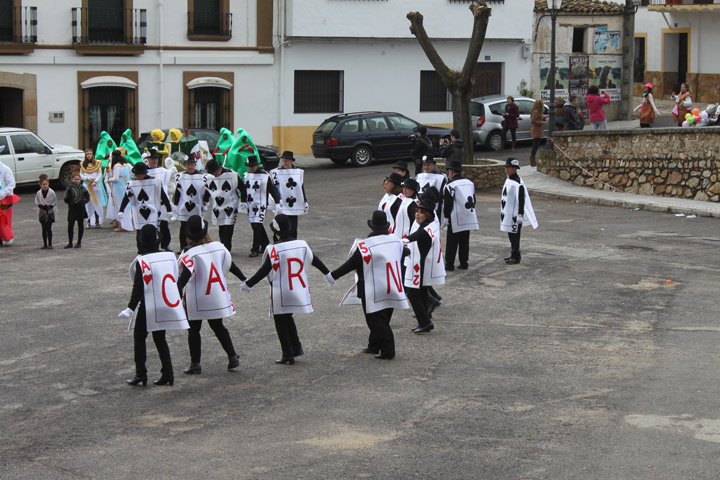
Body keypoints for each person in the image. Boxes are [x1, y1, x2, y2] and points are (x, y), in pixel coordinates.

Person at [241, 214, 333, 365]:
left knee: (280, 320)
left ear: (276, 233)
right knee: (288, 317)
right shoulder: (302, 244)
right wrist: (328, 274)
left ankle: (287, 353)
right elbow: (315, 260)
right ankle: (296, 347)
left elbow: (264, 270)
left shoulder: (274, 249)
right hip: (298, 287)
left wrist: (249, 284)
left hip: (281, 290)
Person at [330, 211, 409, 360]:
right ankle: (374, 345)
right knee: (384, 317)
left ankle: (388, 350)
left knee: (376, 320)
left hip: (373, 288)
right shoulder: (395, 240)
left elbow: (352, 263)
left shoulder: (365, 245)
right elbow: (406, 251)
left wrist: (332, 276)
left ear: (372, 227)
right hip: (393, 285)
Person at [118, 224, 188, 387]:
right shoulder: (170, 256)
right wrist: (178, 299)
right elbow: (176, 280)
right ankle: (168, 373)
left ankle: (141, 373)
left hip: (150, 305)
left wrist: (130, 308)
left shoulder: (142, 261)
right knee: (159, 338)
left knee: (139, 337)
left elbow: (138, 287)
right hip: (165, 302)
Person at [176, 215, 245, 374]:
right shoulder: (219, 247)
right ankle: (232, 356)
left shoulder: (189, 253)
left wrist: (176, 293)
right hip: (215, 294)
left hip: (197, 297)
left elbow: (185, 276)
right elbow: (231, 265)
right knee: (218, 326)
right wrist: (244, 279)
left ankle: (195, 364)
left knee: (194, 330)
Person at [403, 196, 445, 334]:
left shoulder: (425, 229)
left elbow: (414, 237)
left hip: (421, 266)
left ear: (427, 215)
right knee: (420, 292)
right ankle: (425, 317)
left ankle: (425, 322)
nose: (417, 214)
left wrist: (398, 241)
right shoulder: (429, 225)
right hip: (423, 265)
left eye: (421, 212)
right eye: (417, 211)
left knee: (412, 293)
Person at [118, 162, 172, 253]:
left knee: (153, 230)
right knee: (140, 231)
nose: (137, 176)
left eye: (139, 174)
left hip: (153, 210)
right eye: (136, 174)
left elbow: (163, 196)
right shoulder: (131, 184)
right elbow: (127, 197)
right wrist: (121, 210)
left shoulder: (155, 182)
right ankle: (141, 250)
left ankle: (154, 248)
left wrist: (169, 209)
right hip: (138, 211)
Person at [202, 158, 247, 253]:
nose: (213, 175)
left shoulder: (232, 175)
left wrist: (243, 201)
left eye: (214, 172)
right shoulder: (210, 177)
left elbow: (242, 188)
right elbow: (208, 188)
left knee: (228, 227)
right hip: (218, 206)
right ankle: (223, 245)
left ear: (219, 170)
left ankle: (227, 248)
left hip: (231, 204)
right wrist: (205, 200)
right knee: (221, 227)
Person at [500, 158, 538, 265]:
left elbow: (521, 200)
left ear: (514, 169)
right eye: (506, 167)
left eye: (509, 168)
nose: (507, 170)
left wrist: (520, 214)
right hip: (509, 214)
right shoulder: (510, 180)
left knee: (515, 236)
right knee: (511, 235)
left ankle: (516, 256)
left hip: (515, 215)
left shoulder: (517, 183)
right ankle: (513, 253)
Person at [443, 160, 479, 271]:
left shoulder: (450, 185)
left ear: (451, 172)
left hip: (456, 216)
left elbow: (448, 203)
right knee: (464, 241)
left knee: (452, 242)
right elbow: (474, 199)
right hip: (468, 215)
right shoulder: (469, 183)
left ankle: (449, 264)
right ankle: (464, 263)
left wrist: (446, 217)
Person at [242, 155, 279, 257]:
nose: (251, 168)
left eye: (252, 166)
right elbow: (244, 190)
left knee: (257, 225)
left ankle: (255, 248)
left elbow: (272, 189)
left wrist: (277, 202)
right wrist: (243, 201)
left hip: (261, 204)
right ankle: (265, 243)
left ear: (257, 165)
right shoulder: (246, 175)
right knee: (255, 225)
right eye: (249, 166)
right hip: (251, 204)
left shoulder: (264, 175)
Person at [173, 153, 207, 252]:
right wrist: (175, 205)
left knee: (197, 227)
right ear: (185, 165)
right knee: (183, 227)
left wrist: (205, 203)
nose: (190, 166)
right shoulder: (181, 177)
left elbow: (206, 191)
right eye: (188, 164)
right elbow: (178, 191)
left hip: (197, 206)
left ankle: (196, 245)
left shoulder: (202, 177)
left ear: (195, 164)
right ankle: (183, 246)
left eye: (192, 164)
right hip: (184, 206)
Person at [271, 151, 308, 239]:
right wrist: (276, 200)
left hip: (294, 203)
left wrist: (305, 201)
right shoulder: (277, 173)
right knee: (279, 225)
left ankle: (293, 241)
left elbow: (300, 187)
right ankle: (278, 242)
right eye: (283, 161)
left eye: (286, 161)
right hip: (282, 203)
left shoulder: (298, 173)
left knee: (293, 225)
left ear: (291, 161)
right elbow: (274, 188)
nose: (284, 163)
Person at [146, 149, 173, 251]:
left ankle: (165, 244)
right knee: (151, 225)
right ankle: (152, 245)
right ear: (148, 160)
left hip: (162, 201)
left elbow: (165, 185)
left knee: (164, 224)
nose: (154, 161)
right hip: (150, 202)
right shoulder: (144, 171)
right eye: (152, 159)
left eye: (156, 159)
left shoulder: (163, 171)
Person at [80, 149, 107, 228]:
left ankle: (97, 221)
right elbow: (81, 175)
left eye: (90, 154)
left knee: (97, 203)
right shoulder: (82, 164)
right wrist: (88, 178)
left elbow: (99, 174)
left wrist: (95, 181)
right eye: (87, 154)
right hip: (87, 186)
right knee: (88, 204)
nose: (89, 156)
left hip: (95, 185)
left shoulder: (97, 164)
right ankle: (88, 221)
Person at [63, 167, 90, 249]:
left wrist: (83, 202)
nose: (77, 181)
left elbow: (87, 197)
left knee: (80, 225)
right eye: (75, 179)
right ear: (72, 179)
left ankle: (79, 242)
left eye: (78, 179)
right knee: (70, 225)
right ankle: (70, 242)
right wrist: (70, 202)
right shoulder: (69, 188)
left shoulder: (82, 188)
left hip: (81, 208)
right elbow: (66, 198)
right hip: (72, 208)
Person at [107, 149, 133, 232]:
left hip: (118, 188)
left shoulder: (117, 166)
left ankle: (123, 225)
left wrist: (109, 180)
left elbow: (115, 178)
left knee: (120, 206)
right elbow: (133, 173)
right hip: (126, 186)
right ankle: (124, 224)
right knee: (126, 205)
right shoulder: (127, 164)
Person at [0, 152, 19, 246]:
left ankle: (8, 236)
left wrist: (3, 193)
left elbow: (11, 184)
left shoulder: (6, 169)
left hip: (5, 198)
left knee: (4, 219)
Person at [35, 174, 57, 249]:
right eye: (43, 184)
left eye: (46, 184)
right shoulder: (38, 193)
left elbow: (54, 201)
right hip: (42, 212)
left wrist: (50, 206)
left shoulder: (52, 192)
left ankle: (50, 243)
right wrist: (41, 206)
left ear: (48, 184)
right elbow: (36, 201)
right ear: (40, 185)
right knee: (44, 228)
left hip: (50, 211)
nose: (45, 186)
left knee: (49, 228)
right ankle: (45, 244)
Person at [529, 99, 546, 167]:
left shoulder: (537, 111)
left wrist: (544, 117)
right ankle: (532, 160)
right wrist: (542, 122)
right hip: (536, 129)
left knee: (537, 144)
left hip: (537, 129)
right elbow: (533, 120)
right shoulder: (536, 112)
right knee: (535, 145)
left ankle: (533, 159)